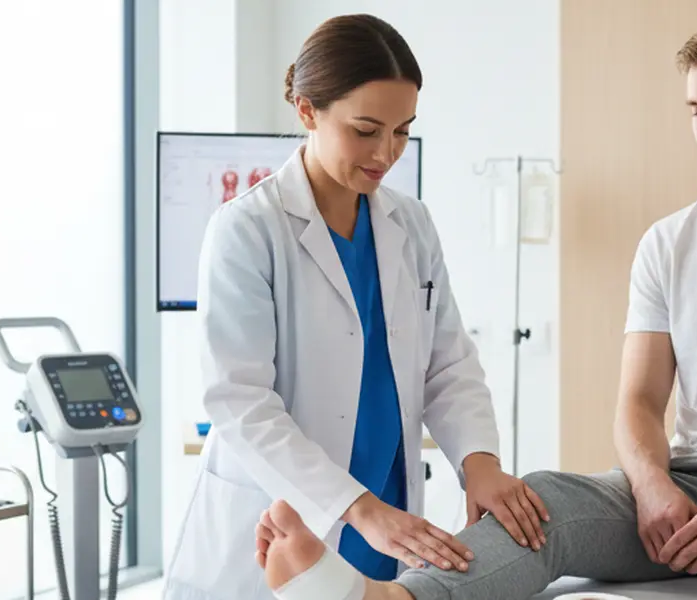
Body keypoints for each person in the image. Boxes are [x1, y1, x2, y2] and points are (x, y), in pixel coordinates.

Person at [252, 13, 697, 600]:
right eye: (696, 110)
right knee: (536, 503)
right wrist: (652, 485)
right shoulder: (668, 243)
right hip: (689, 485)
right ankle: (395, 599)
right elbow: (639, 402)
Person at [162, 13, 549, 600]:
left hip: (386, 513)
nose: (386, 152)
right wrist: (358, 508)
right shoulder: (247, 229)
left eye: (401, 131)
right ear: (307, 110)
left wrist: (480, 465)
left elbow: (448, 363)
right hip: (292, 516)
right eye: (366, 130)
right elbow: (241, 401)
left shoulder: (410, 223)